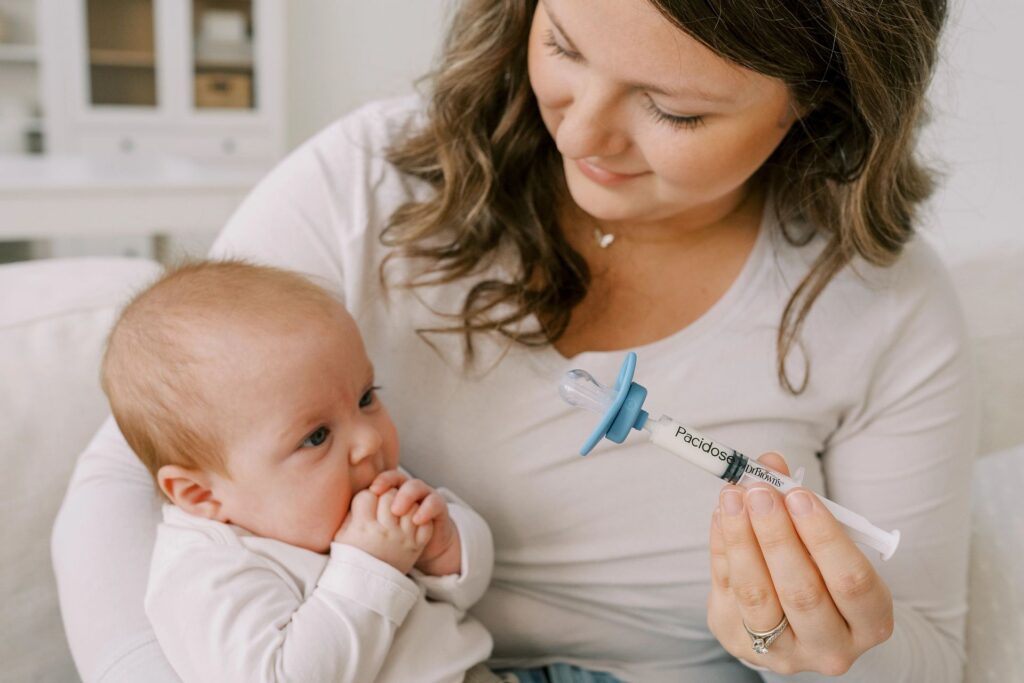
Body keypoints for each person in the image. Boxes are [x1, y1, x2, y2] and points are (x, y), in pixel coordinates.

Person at [53, 1, 975, 681]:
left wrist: (806, 647)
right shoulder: (369, 182)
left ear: (820, 101)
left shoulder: (881, 308)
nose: (583, 131)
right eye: (564, 44)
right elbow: (131, 476)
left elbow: (929, 648)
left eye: (674, 109)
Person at [99, 260, 498, 683]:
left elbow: (468, 595)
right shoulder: (208, 576)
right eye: (316, 437)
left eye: (365, 398)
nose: (368, 440)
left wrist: (444, 548)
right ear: (202, 494)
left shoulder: (356, 482)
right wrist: (371, 567)